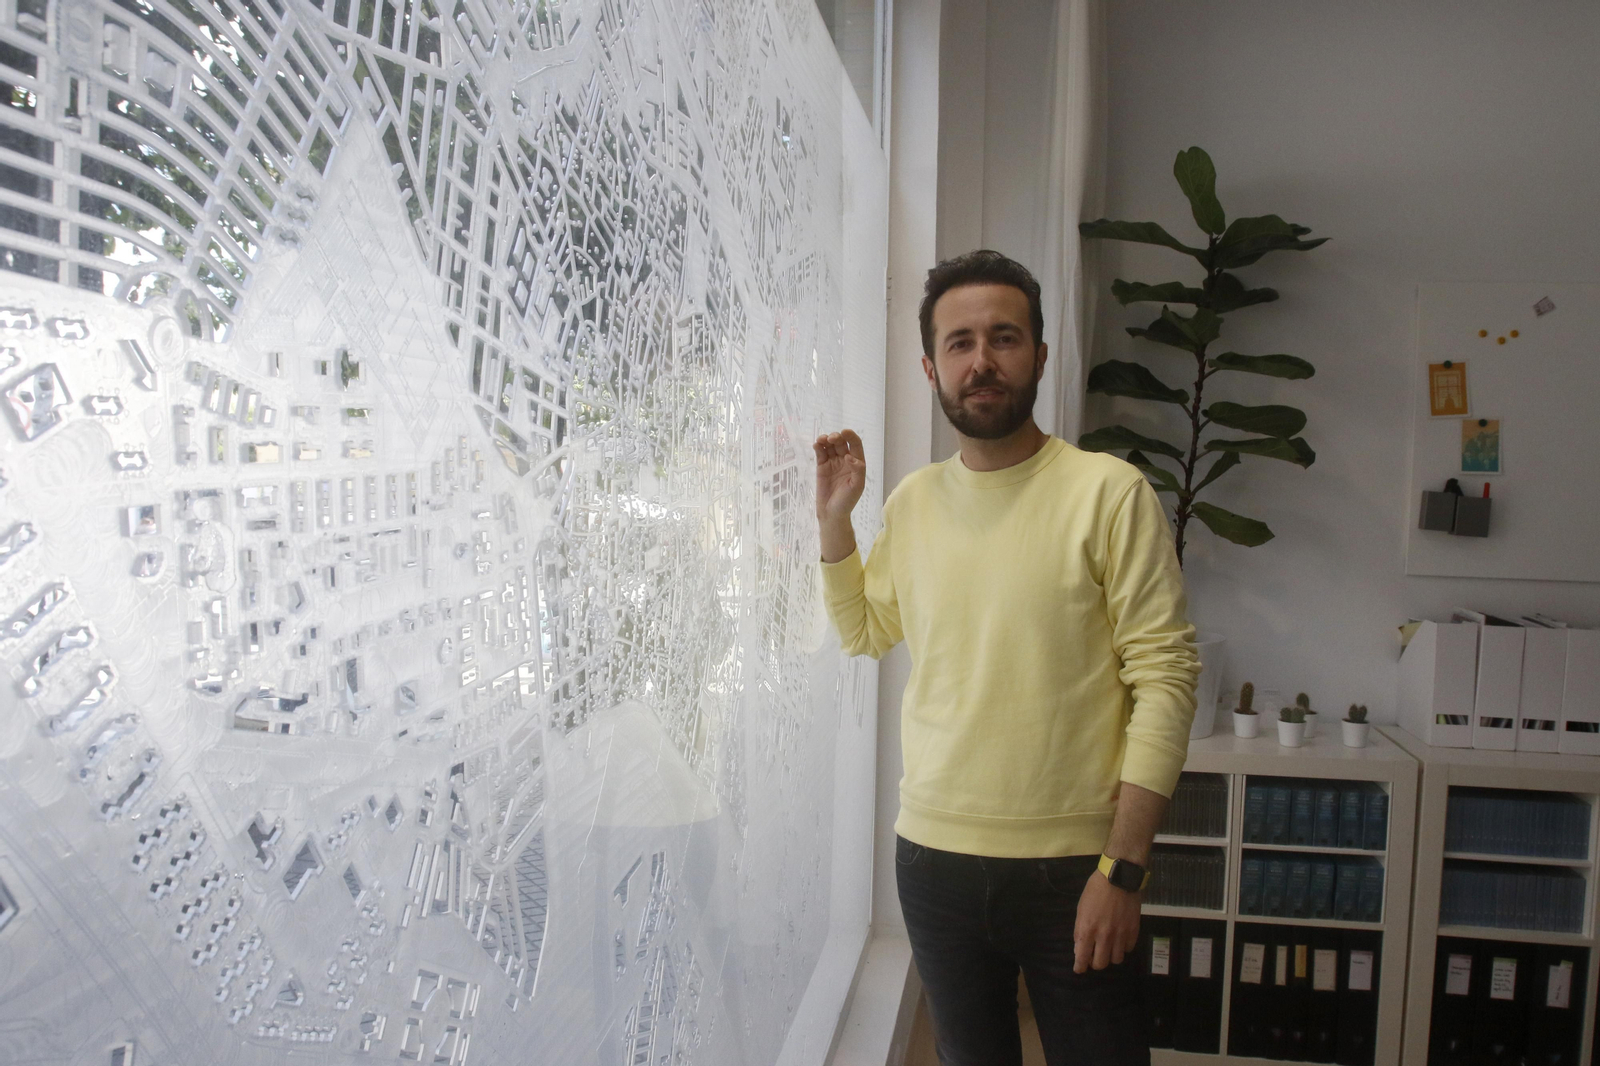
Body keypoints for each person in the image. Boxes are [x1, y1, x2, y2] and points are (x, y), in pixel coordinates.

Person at [813, 250, 1200, 1066]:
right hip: (934, 859)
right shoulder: (912, 503)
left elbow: (1165, 679)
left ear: (1040, 355)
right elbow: (864, 632)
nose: (980, 360)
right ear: (931, 366)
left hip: (1077, 868)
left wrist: (1123, 870)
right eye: (959, 343)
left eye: (1003, 337)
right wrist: (836, 525)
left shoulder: (1108, 492)